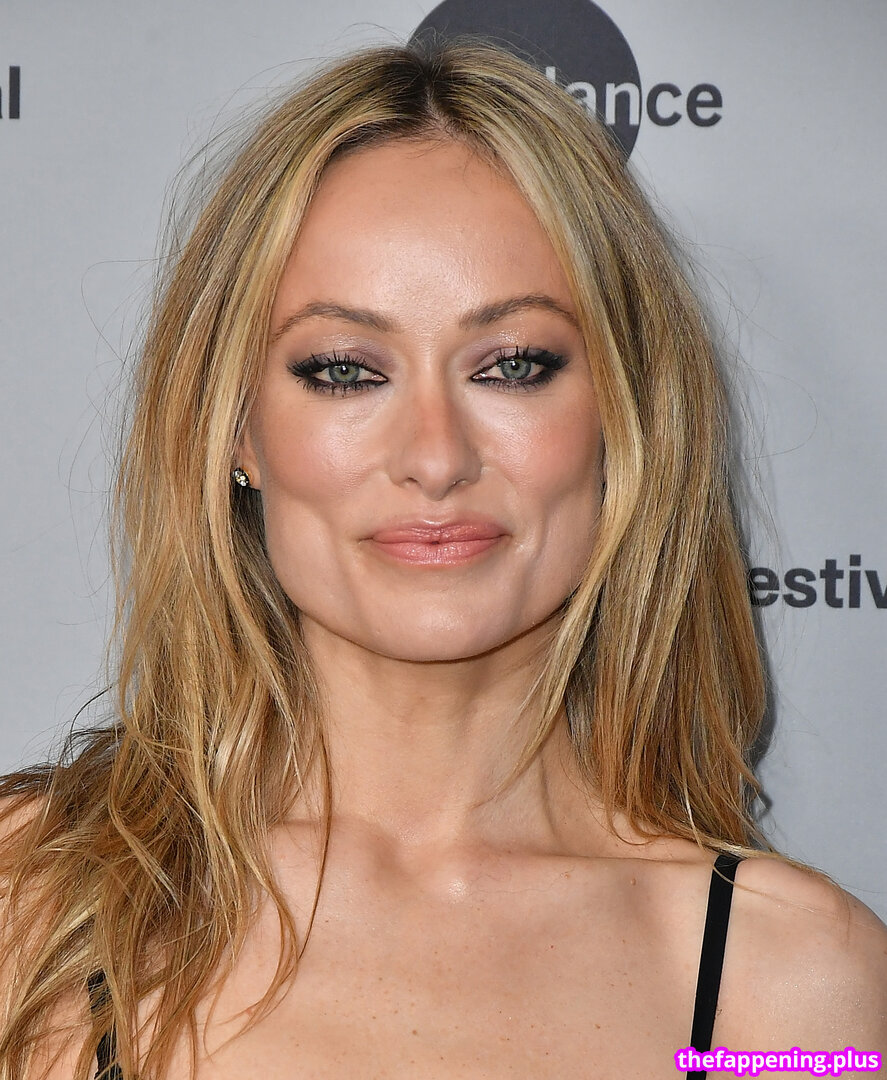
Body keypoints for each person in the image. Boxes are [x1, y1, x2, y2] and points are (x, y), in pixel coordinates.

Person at [1, 38, 885, 1080]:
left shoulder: (788, 985)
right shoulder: (31, 900)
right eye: (344, 370)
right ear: (235, 430)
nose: (434, 457)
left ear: (625, 418)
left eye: (512, 366)